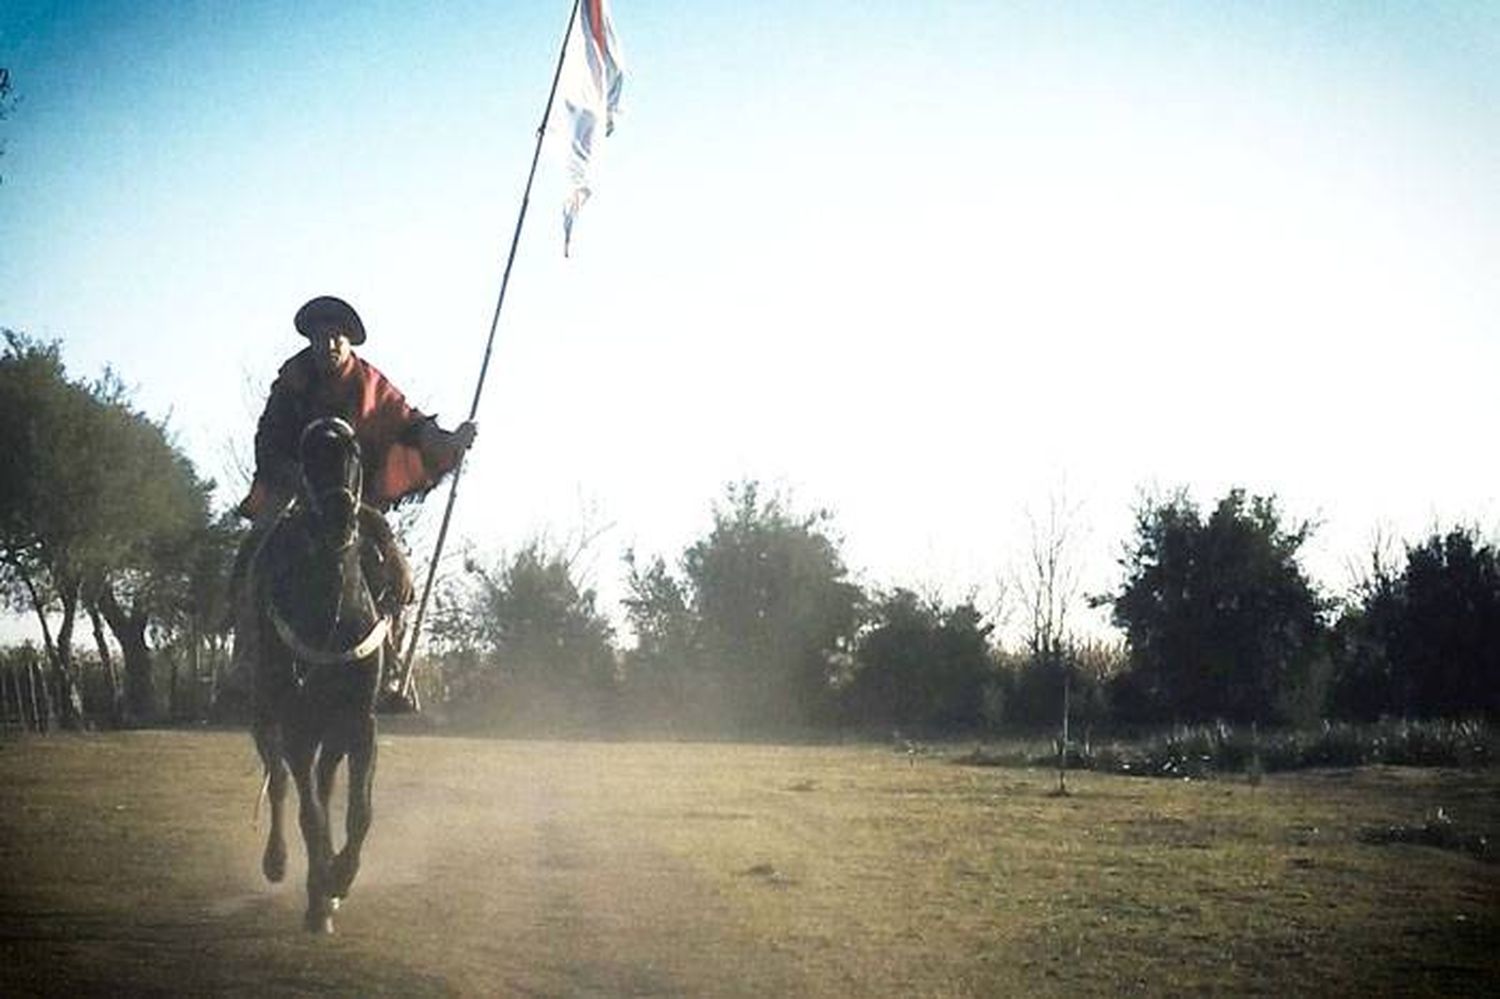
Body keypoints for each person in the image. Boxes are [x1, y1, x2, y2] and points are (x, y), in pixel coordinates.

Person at [232, 295, 476, 712]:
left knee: (391, 566)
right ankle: (243, 663)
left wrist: (450, 443)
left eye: (336, 337)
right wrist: (292, 481)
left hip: (353, 497)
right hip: (295, 491)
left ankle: (389, 665)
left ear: (349, 342)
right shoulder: (290, 383)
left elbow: (412, 426)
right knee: (255, 550)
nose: (328, 345)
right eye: (320, 337)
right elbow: (268, 439)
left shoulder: (371, 385)